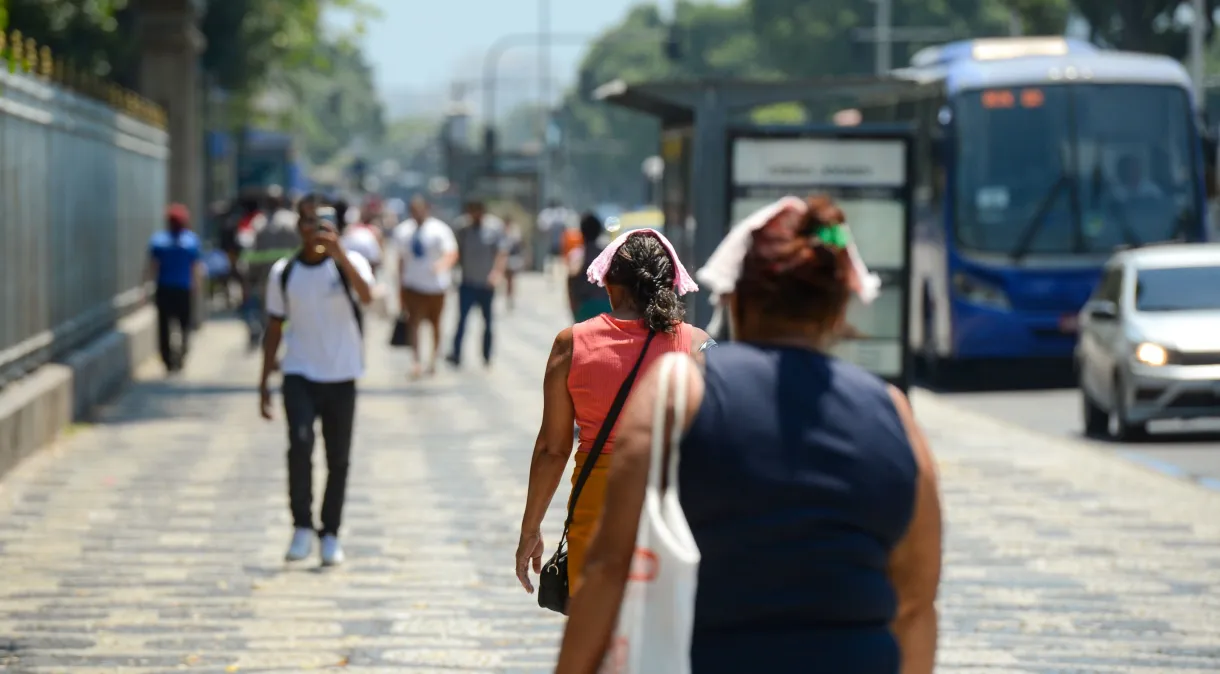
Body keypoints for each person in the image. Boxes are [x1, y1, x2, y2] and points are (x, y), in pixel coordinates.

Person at [553, 196, 942, 674]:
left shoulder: (678, 395)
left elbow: (610, 568)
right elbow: (917, 602)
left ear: (734, 299)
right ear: (840, 309)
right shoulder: (893, 414)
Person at [515, 228, 709, 601]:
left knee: (598, 636)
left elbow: (552, 450)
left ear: (609, 283)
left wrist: (531, 530)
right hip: (673, 510)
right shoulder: (699, 345)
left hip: (597, 511)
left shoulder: (570, 344)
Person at [259, 207, 375, 567]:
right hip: (299, 373)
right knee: (300, 444)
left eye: (325, 224)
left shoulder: (350, 262)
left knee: (337, 458)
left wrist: (340, 255)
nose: (317, 231)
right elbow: (274, 327)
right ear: (299, 228)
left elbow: (368, 296)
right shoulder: (284, 271)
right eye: (310, 223)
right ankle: (301, 526)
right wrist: (263, 381)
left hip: (341, 374)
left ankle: (330, 534)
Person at [393, 196, 459, 378]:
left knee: (435, 324)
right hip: (413, 285)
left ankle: (433, 359)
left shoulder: (439, 230)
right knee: (414, 324)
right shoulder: (403, 231)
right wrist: (399, 286)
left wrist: (441, 266)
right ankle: (416, 360)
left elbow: (451, 252)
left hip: (436, 287)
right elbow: (400, 260)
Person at [447, 200, 509, 369]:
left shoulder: (494, 227)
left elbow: (501, 253)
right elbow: (455, 252)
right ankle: (456, 353)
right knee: (462, 321)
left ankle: (487, 355)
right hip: (467, 282)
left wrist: (496, 273)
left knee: (488, 322)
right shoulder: (462, 229)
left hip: (486, 284)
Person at [146, 204, 202, 373]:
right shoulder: (191, 240)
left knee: (164, 326)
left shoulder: (159, 241)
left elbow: (152, 266)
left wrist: (146, 286)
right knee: (183, 323)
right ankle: (182, 350)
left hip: (165, 288)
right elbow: (196, 267)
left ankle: (168, 358)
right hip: (183, 288)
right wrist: (197, 285)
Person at [243, 194, 301, 347]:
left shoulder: (259, 222)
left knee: (269, 310)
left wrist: (250, 276)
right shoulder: (292, 220)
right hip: (289, 274)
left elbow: (252, 251)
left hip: (268, 276)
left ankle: (272, 339)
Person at [567, 213, 612, 322]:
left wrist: (574, 308)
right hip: (608, 307)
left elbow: (571, 279)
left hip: (584, 308)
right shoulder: (608, 254)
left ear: (581, 232)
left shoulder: (577, 255)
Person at [504, 217, 526, 310]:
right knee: (507, 280)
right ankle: (508, 296)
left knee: (511, 279)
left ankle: (510, 297)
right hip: (505, 257)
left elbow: (519, 244)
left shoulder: (514, 232)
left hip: (513, 258)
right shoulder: (502, 231)